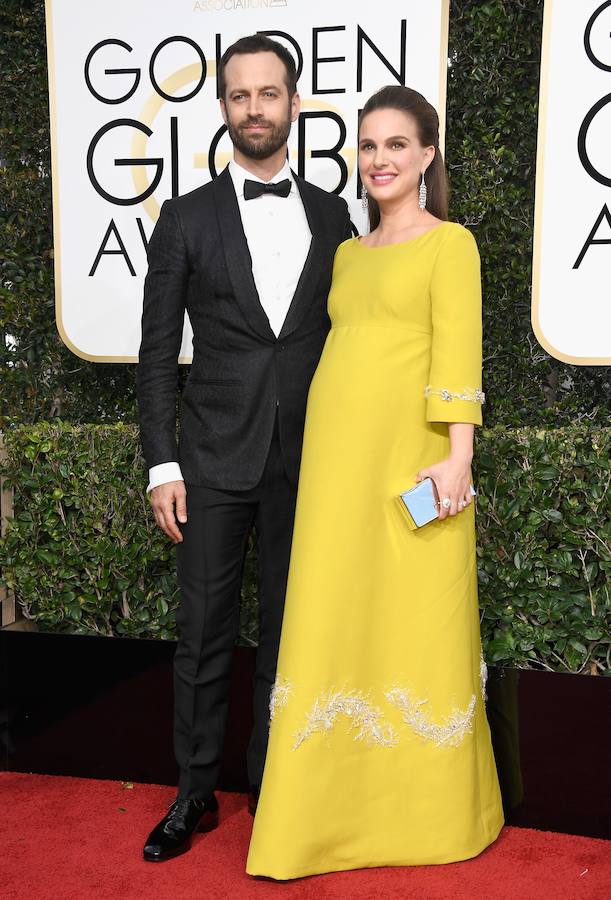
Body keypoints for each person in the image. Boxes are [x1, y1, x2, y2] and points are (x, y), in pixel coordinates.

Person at [247, 85, 504, 879]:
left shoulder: (449, 243)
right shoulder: (347, 255)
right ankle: (321, 814)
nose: (379, 159)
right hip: (334, 462)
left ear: (427, 154)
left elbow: (456, 351)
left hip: (415, 462)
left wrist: (457, 454)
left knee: (416, 618)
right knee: (331, 610)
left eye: (396, 144)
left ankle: (422, 815)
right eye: (367, 145)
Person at [136, 34, 351, 862]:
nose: (254, 108)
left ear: (293, 104)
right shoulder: (184, 217)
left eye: (269, 93)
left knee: (293, 631)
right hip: (211, 462)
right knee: (203, 633)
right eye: (239, 95)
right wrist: (162, 462)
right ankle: (192, 794)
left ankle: (274, 785)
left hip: (310, 461)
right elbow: (158, 354)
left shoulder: (335, 215)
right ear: (222, 107)